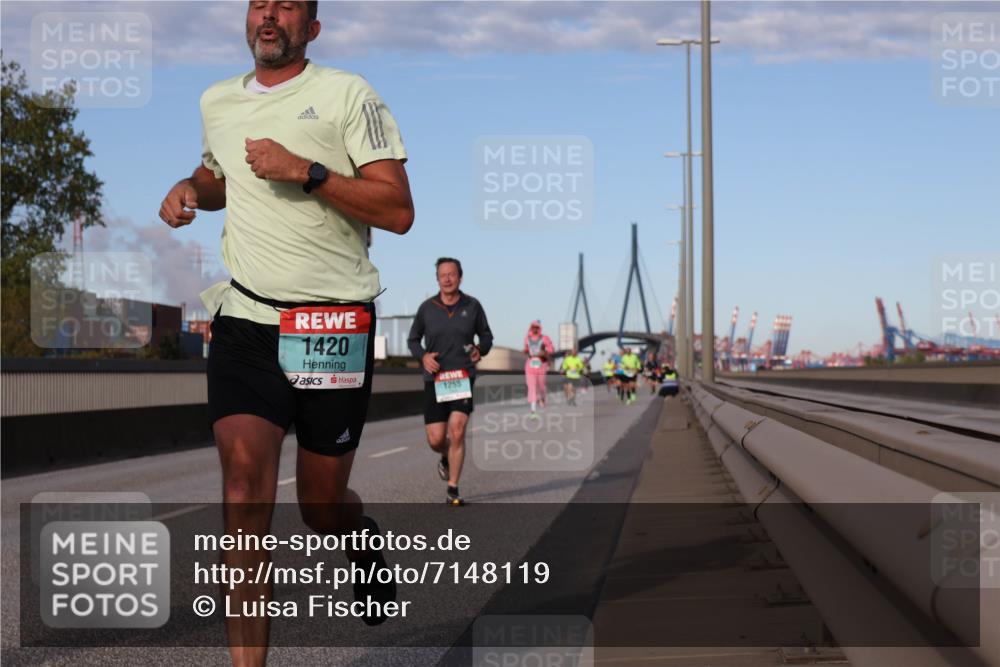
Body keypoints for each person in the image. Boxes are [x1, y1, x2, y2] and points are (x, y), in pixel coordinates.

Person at [158, 1, 413, 662]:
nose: (271, 14)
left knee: (320, 508)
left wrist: (307, 170)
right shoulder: (217, 100)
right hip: (245, 317)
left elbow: (398, 209)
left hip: (330, 321)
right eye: (260, 3)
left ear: (312, 28)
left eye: (289, 5)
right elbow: (220, 176)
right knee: (243, 493)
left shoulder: (347, 94)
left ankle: (358, 537)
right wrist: (190, 187)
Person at [408, 257, 493, 507]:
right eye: (442, 275)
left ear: (460, 277)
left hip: (462, 376)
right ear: (437, 279)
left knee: (457, 431)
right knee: (436, 439)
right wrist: (422, 356)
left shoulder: (473, 306)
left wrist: (481, 349)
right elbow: (413, 340)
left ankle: (453, 488)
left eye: (452, 274)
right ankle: (445, 456)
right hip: (435, 379)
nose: (447, 278)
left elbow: (487, 336)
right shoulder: (427, 308)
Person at [523, 320, 554, 418]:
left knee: (541, 386)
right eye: (533, 327)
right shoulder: (527, 338)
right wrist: (525, 351)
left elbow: (551, 349)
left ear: (539, 328)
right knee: (532, 386)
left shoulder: (544, 338)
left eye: (537, 327)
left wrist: (544, 352)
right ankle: (533, 411)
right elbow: (526, 349)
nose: (535, 329)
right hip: (530, 364)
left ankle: (542, 398)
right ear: (531, 327)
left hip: (541, 364)